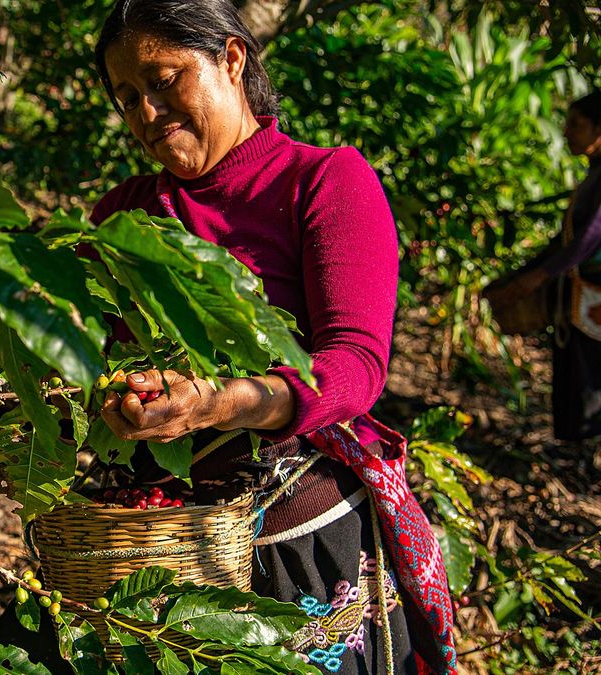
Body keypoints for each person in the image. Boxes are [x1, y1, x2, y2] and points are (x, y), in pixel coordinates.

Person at [87, 1, 457, 673]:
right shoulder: (121, 215)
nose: (145, 111)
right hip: (150, 547)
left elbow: (354, 363)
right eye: (127, 98)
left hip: (296, 549)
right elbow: (80, 356)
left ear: (231, 58)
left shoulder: (322, 180)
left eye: (164, 80)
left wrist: (219, 402)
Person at [487, 91, 601, 441]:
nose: (567, 132)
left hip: (593, 296)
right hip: (583, 292)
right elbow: (570, 236)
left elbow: (591, 235)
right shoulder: (595, 173)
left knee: (589, 375)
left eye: (577, 125)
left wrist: (540, 275)